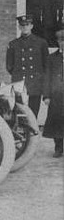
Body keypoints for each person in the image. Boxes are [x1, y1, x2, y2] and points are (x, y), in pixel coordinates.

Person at [5, 15, 49, 117]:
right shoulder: (13, 44)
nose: (25, 27)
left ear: (31, 26)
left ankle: (33, 131)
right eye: (22, 25)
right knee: (19, 111)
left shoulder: (41, 43)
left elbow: (46, 65)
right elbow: (9, 66)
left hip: (35, 83)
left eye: (27, 25)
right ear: (19, 27)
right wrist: (19, 75)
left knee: (33, 113)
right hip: (20, 83)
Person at [43, 22, 64, 158]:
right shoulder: (52, 58)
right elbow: (47, 77)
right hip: (57, 96)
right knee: (57, 122)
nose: (63, 43)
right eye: (61, 40)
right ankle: (58, 148)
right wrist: (46, 96)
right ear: (57, 42)